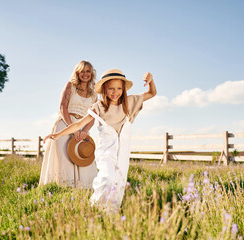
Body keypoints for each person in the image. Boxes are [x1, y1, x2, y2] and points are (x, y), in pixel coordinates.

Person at [44, 69, 157, 209]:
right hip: (106, 153)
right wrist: (58, 134)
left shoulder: (129, 102)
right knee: (107, 178)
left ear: (123, 89)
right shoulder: (99, 107)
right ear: (104, 89)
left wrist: (151, 81)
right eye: (111, 88)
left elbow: (151, 93)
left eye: (119, 88)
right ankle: (95, 207)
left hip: (122, 154)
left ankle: (110, 211)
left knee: (119, 182)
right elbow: (79, 124)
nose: (115, 92)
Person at [39, 60, 98, 188]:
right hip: (65, 123)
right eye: (82, 71)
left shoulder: (94, 94)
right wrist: (72, 129)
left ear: (92, 74)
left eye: (88, 71)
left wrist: (85, 131)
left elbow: (93, 116)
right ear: (77, 73)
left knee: (81, 155)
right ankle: (61, 187)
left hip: (83, 126)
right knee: (64, 156)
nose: (85, 74)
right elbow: (62, 107)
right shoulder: (70, 86)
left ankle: (83, 188)